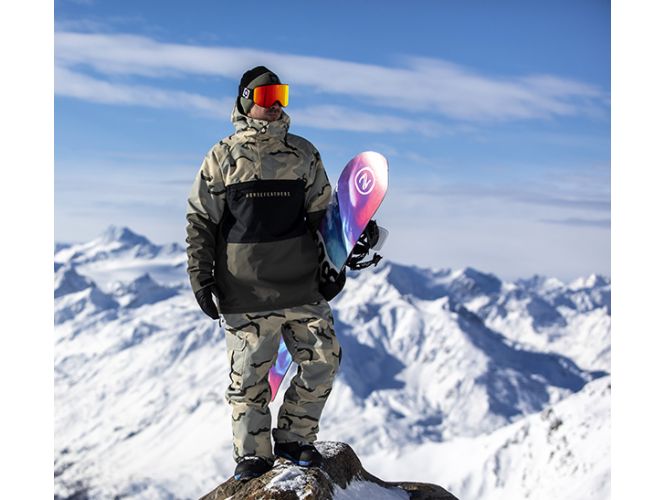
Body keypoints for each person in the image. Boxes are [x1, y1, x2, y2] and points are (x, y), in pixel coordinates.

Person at [185, 66, 342, 482]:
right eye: (266, 96)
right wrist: (201, 276)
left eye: (281, 95)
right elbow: (201, 221)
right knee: (249, 379)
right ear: (245, 101)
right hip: (244, 290)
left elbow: (323, 216)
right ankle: (253, 456)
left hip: (301, 284)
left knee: (323, 361)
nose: (275, 104)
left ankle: (295, 438)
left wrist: (335, 262)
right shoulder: (222, 157)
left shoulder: (304, 154)